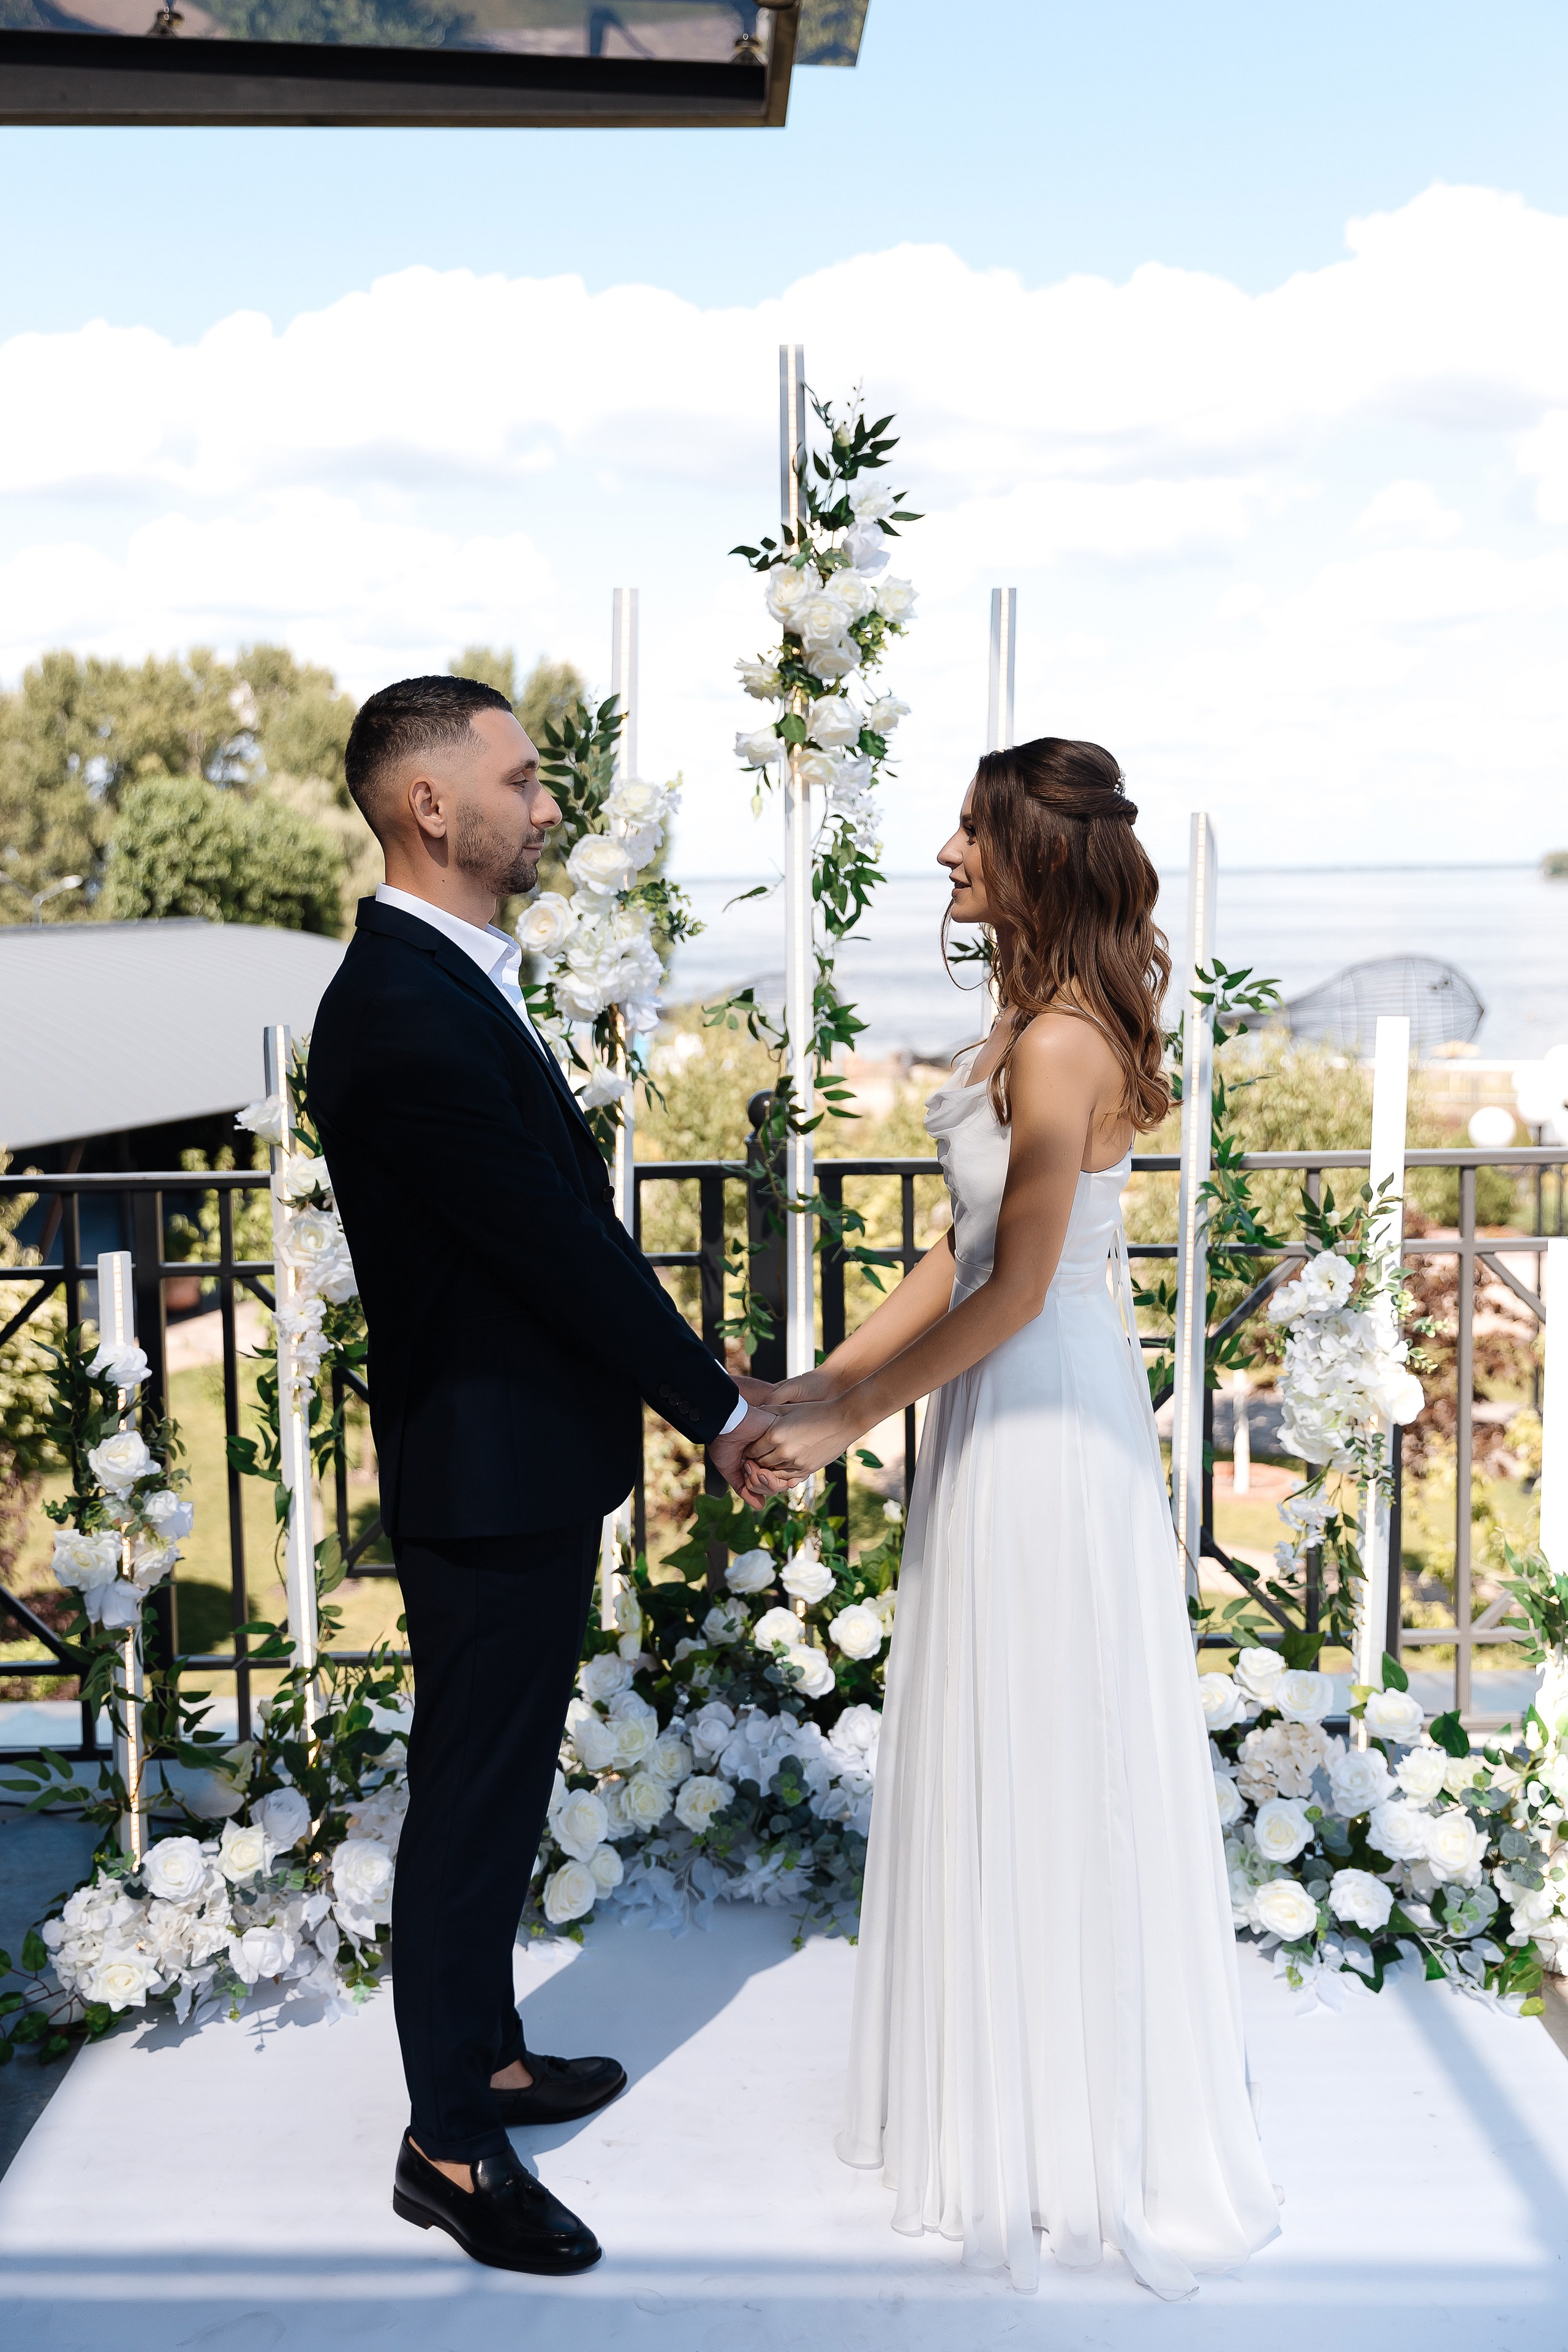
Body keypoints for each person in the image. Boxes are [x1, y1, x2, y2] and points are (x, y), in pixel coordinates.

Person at [742, 739, 1280, 2298]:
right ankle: (1006, 2082)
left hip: (1045, 1423)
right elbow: (955, 1249)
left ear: (1028, 859)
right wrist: (805, 1387)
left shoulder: (1056, 1047)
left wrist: (852, 1422)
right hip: (999, 1399)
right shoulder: (1025, 1026)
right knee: (1000, 1721)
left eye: (966, 833)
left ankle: (1064, 2121)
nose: (941, 854)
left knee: (1047, 1732)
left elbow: (1026, 1286)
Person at [307, 674, 772, 2275]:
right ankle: (448, 2148)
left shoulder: (448, 980)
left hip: (513, 1458)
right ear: (433, 807)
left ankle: (488, 2055)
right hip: (484, 1465)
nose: (547, 804)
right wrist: (716, 1398)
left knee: (497, 1787)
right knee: (469, 1800)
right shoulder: (404, 1010)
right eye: (520, 778)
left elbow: (549, 1237)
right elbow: (557, 1249)